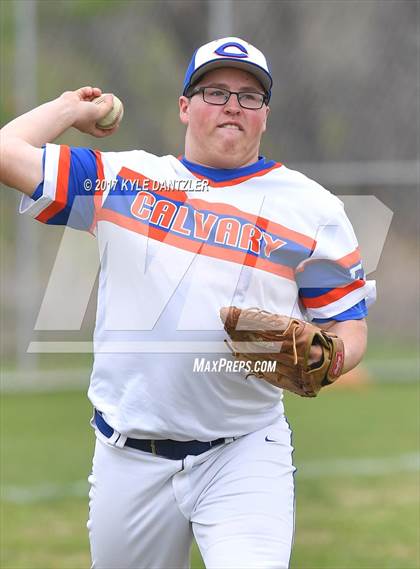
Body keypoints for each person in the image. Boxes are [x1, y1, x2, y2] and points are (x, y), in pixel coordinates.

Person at [0, 37, 375, 569]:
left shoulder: (313, 209)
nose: (232, 105)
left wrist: (327, 357)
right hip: (127, 456)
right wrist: (68, 109)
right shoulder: (124, 180)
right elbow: (5, 151)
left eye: (250, 97)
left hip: (243, 449)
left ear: (265, 116)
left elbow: (349, 331)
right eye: (215, 90)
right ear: (185, 106)